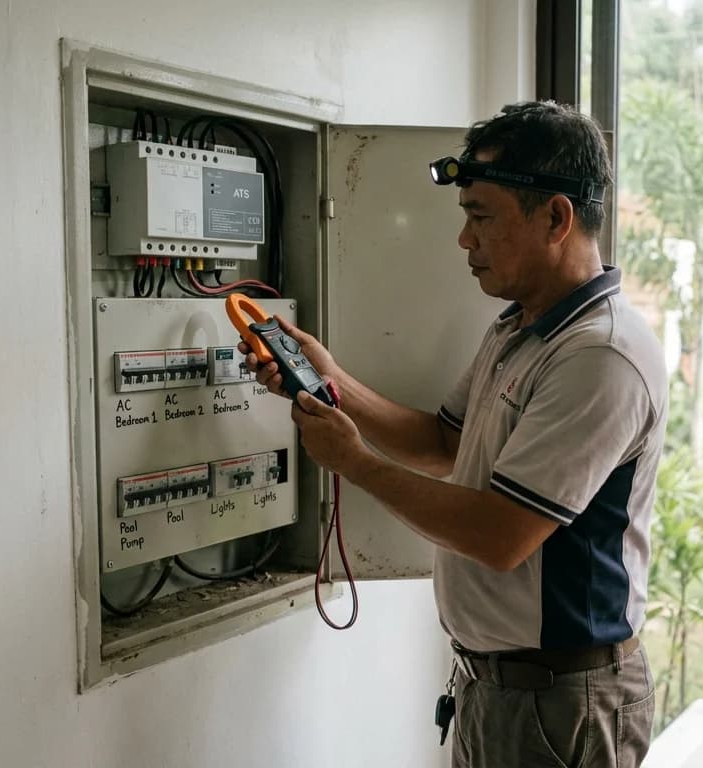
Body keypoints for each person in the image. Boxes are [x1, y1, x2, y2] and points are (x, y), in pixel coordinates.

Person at [242, 101, 668, 768]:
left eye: (481, 217)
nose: (465, 241)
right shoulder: (519, 328)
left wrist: (354, 462)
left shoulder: (600, 356)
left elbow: (502, 536)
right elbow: (442, 444)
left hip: (561, 699)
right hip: (500, 685)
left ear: (556, 218)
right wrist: (329, 379)